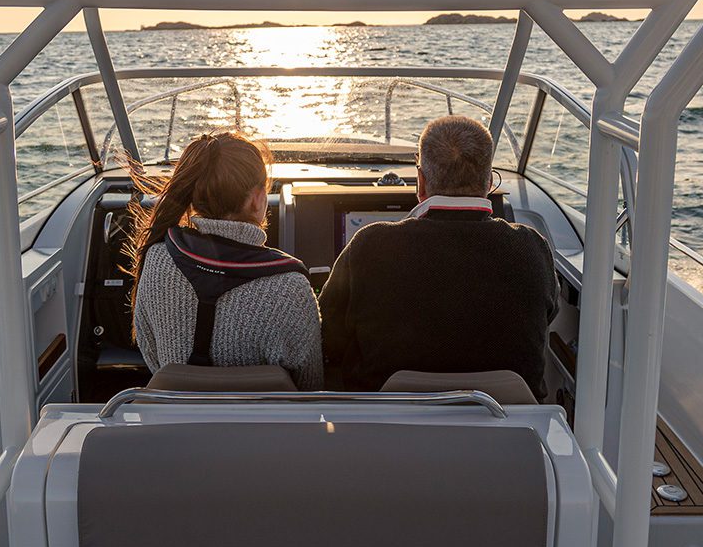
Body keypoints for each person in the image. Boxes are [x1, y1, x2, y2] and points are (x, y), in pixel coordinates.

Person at [319, 115, 558, 398]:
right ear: (488, 180)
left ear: (420, 181)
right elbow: (548, 314)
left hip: (385, 429)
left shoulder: (368, 245)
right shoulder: (532, 248)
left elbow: (327, 337)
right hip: (515, 432)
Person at [129, 131, 324, 389]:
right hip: (267, 429)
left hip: (177, 425)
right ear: (257, 199)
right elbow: (310, 389)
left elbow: (153, 357)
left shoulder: (156, 258)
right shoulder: (290, 289)